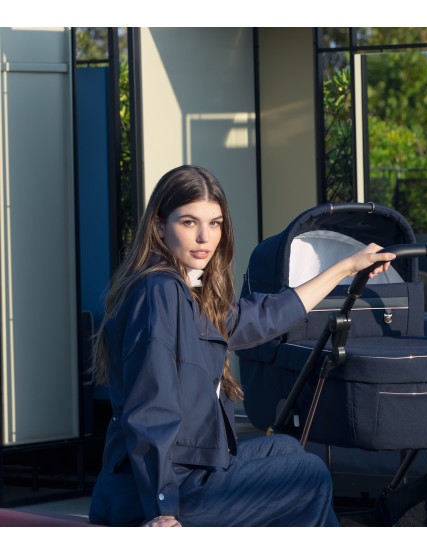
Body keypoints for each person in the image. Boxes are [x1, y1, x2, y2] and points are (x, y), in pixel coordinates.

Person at [88, 165, 395, 527]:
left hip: (190, 473)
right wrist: (162, 508)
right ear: (159, 227)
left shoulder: (190, 293)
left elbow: (266, 315)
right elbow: (151, 406)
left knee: (286, 448)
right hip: (162, 493)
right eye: (189, 222)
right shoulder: (159, 291)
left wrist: (346, 268)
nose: (204, 237)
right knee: (308, 474)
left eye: (214, 223)